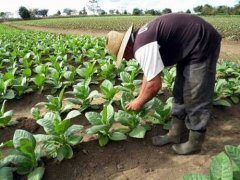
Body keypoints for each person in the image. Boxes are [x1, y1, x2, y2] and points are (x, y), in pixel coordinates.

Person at [105, 13, 222, 155]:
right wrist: (139, 96)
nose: (125, 59)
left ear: (127, 48)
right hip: (188, 47)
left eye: (122, 56)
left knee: (195, 94)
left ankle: (195, 143)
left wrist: (140, 102)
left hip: (202, 42)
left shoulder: (142, 47)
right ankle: (175, 134)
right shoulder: (140, 41)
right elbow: (149, 75)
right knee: (179, 91)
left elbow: (154, 84)